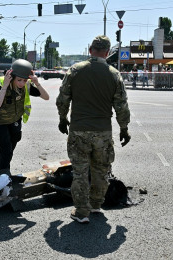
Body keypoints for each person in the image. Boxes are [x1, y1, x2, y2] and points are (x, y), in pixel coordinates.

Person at [56, 35, 131, 224]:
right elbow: (121, 105)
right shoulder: (114, 74)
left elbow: (63, 99)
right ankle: (96, 204)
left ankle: (81, 212)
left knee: (80, 172)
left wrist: (62, 119)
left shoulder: (75, 71)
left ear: (90, 50)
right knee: (101, 170)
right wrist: (124, 128)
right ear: (107, 53)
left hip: (79, 130)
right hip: (103, 132)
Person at [0, 59, 49, 171]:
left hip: (15, 122)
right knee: (6, 148)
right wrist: (4, 86)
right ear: (12, 76)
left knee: (10, 149)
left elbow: (46, 97)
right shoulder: (1, 84)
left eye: (24, 80)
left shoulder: (26, 85)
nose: (22, 83)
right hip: (1, 123)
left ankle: (4, 172)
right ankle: (4, 174)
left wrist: (36, 83)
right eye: (19, 80)